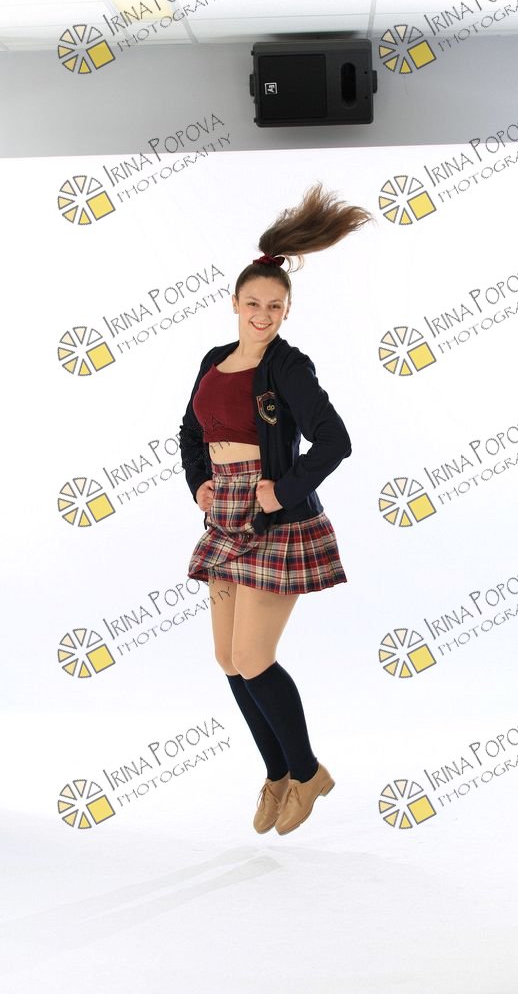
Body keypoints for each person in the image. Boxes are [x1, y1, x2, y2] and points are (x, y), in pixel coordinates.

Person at [178, 183, 372, 835]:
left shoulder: (287, 367)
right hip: (222, 516)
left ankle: (308, 773)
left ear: (286, 311)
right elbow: (189, 431)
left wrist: (281, 490)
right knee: (229, 660)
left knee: (255, 657)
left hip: (273, 521)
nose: (262, 315)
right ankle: (277, 773)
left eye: (274, 307)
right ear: (234, 303)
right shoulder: (213, 361)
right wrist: (200, 483)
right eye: (253, 304)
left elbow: (335, 440)